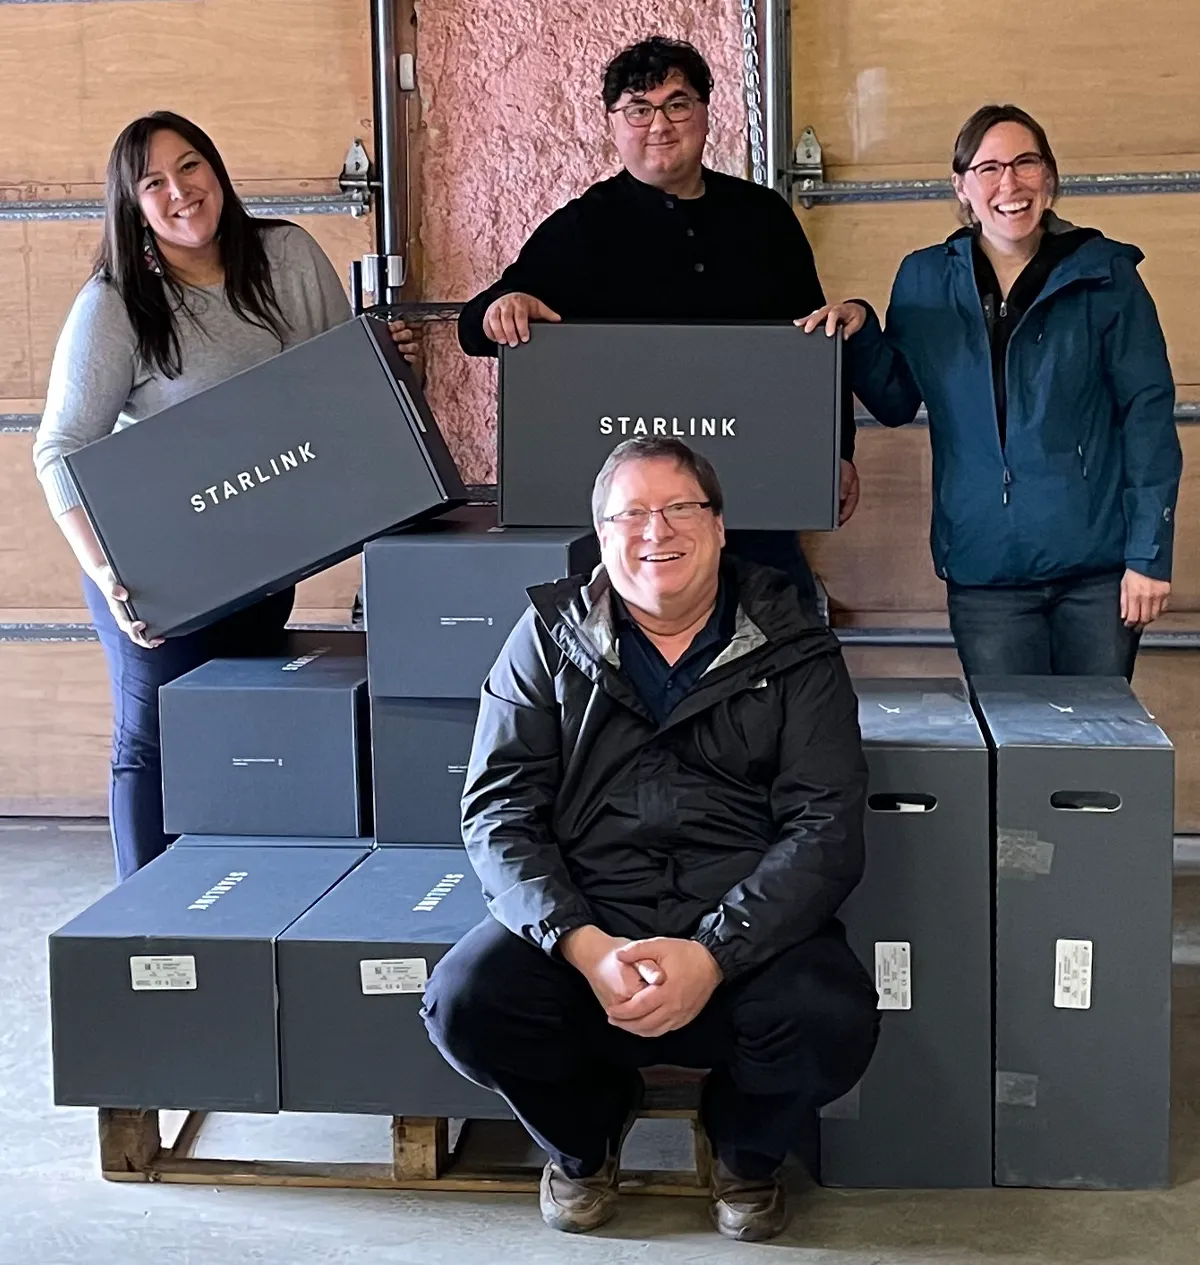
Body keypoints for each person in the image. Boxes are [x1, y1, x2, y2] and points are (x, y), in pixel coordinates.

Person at [423, 437, 879, 1241]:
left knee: (833, 1016)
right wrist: (583, 945)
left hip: (742, 935)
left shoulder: (795, 647)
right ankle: (584, 1140)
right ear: (602, 536)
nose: (654, 532)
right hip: (592, 932)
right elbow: (498, 812)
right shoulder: (544, 642)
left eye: (677, 508)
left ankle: (743, 1150)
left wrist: (715, 952)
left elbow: (825, 827)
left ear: (720, 524)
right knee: (466, 1004)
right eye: (629, 513)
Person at [32, 111, 410, 882]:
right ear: (131, 205)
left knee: (240, 731)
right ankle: (141, 925)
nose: (181, 191)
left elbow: (336, 396)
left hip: (259, 564)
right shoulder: (116, 302)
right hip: (152, 576)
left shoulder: (287, 255)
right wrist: (107, 572)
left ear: (217, 168)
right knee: (152, 744)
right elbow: (60, 449)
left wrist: (382, 369)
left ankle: (229, 915)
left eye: (191, 165)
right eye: (155, 183)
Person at [457, 35, 861, 596]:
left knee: (776, 662)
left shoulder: (764, 218)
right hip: (638, 528)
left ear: (705, 114)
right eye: (638, 109)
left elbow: (815, 346)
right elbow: (474, 326)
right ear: (612, 123)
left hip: (757, 507)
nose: (659, 124)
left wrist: (835, 454)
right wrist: (503, 308)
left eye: (677, 104)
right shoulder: (582, 228)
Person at [802, 104, 1182, 679]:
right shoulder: (925, 277)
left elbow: (1148, 415)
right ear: (962, 185)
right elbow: (898, 401)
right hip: (985, 573)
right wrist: (859, 328)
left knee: (1095, 754)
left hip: (1096, 573)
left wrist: (1148, 556)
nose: (1010, 184)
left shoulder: (1106, 275)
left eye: (1026, 163)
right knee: (1013, 754)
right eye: (989, 168)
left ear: (1049, 179)